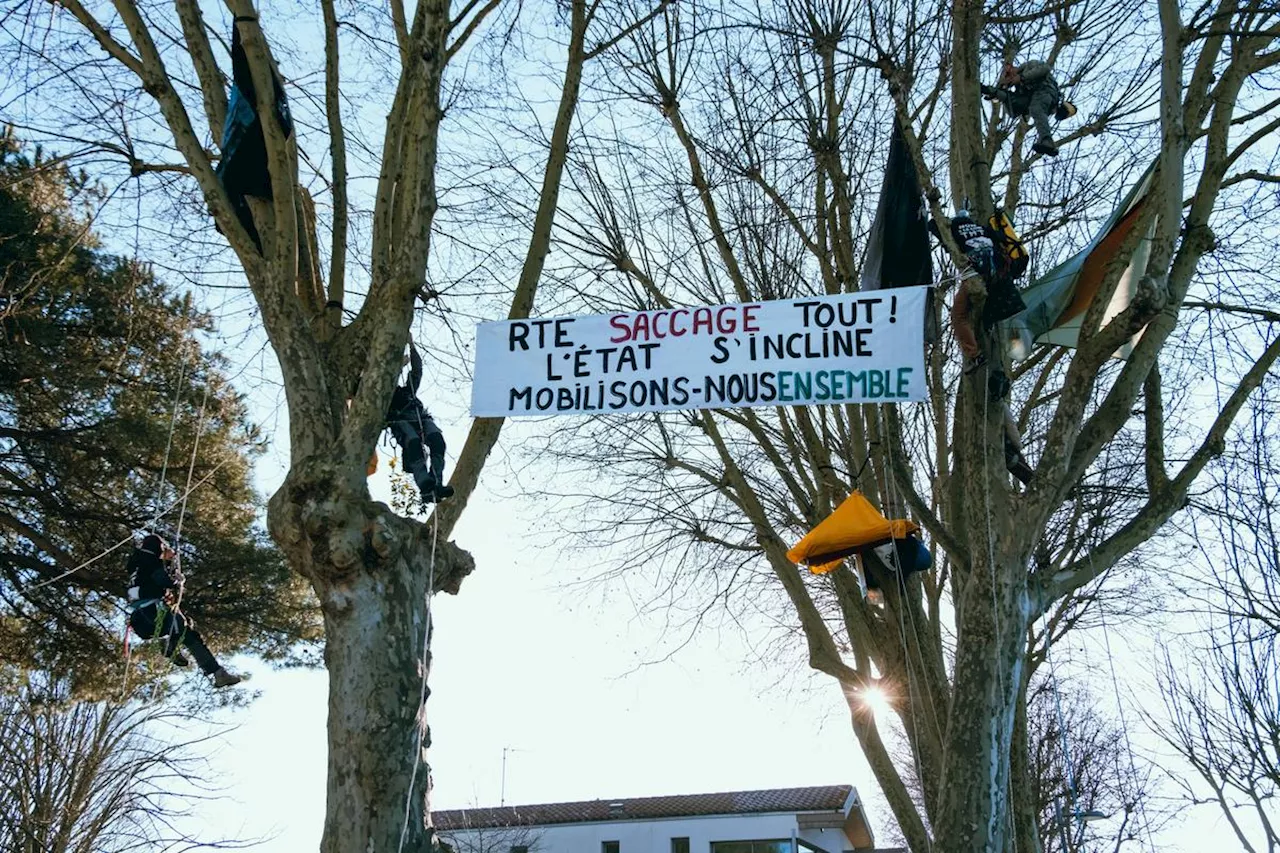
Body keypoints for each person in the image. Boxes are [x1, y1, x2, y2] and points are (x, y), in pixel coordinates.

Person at [125, 534, 241, 688]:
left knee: (187, 632)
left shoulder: (136, 564)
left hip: (142, 618)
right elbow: (162, 580)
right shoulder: (151, 561)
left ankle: (217, 672)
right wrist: (177, 580)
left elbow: (146, 584)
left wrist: (167, 561)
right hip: (152, 610)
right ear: (157, 548)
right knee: (182, 626)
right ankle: (171, 645)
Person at [931, 210, 1026, 375]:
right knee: (984, 312)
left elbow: (932, 224)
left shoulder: (954, 230)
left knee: (958, 316)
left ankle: (974, 355)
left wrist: (945, 222)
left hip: (976, 275)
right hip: (998, 275)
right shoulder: (983, 229)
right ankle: (987, 332)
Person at [387, 344, 454, 506]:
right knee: (414, 443)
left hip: (420, 419)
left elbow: (417, 370)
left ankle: (436, 483)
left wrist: (412, 346)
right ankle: (425, 485)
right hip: (400, 421)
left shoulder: (407, 391)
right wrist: (397, 366)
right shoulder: (384, 396)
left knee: (438, 441)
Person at [982, 60, 1075, 157]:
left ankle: (1047, 140)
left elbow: (1045, 68)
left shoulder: (1030, 66)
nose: (1010, 80)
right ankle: (986, 89)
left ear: (1012, 68)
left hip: (1046, 91)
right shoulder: (1020, 87)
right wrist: (994, 92)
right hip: (1035, 99)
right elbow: (1015, 101)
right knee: (1014, 107)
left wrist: (1022, 78)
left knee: (1036, 109)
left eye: (1009, 75)